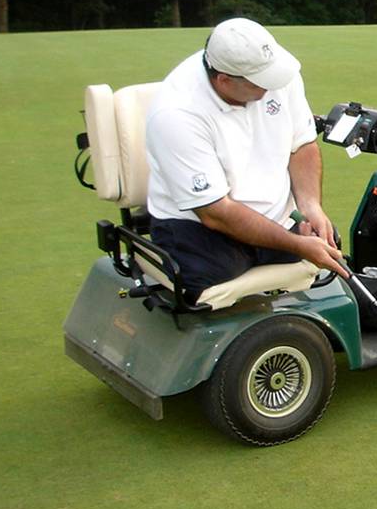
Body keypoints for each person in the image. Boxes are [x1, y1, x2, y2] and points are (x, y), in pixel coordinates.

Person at [144, 17, 346, 302]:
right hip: (201, 226)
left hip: (275, 216)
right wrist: (297, 245)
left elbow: (302, 144)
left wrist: (310, 206)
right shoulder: (177, 114)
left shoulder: (273, 74)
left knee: (328, 240)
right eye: (260, 85)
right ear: (224, 80)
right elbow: (216, 212)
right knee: (203, 274)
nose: (271, 88)